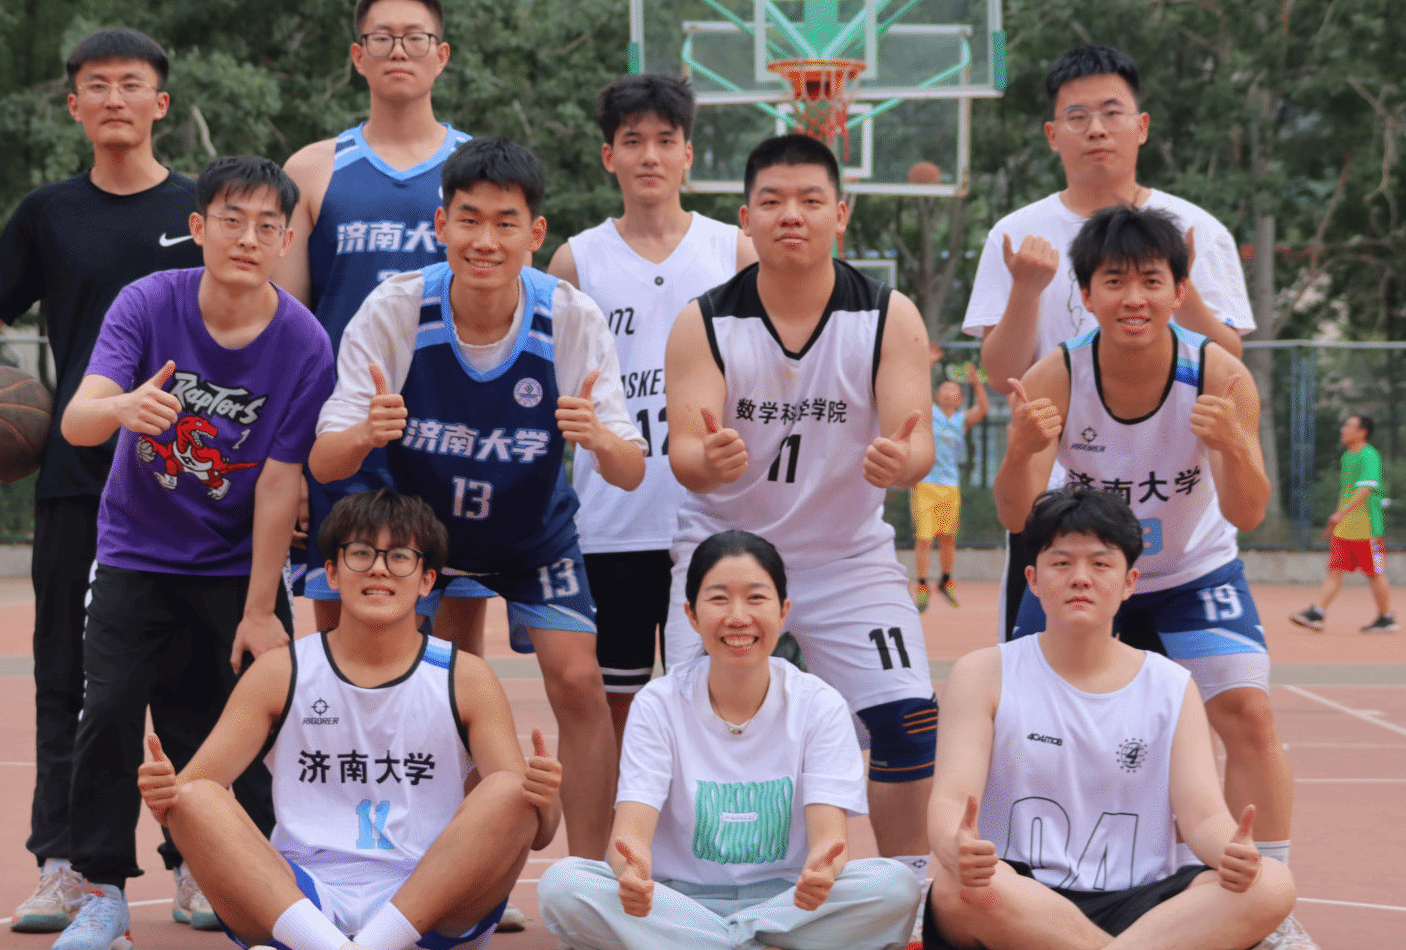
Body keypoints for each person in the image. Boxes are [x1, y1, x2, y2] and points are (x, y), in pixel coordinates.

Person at [0, 28, 222, 935]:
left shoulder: (202, 210)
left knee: (195, 676)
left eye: (132, 83)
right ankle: (65, 863)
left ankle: (198, 858)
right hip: (81, 478)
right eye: (97, 85)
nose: (115, 98)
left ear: (161, 103)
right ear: (75, 106)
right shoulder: (47, 213)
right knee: (72, 676)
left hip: (195, 479)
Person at [991, 203, 1322, 950]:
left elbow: (1249, 511)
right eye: (1114, 281)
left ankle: (1268, 905)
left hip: (1190, 572)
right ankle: (1037, 879)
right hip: (1086, 575)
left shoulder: (1220, 375)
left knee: (1247, 711)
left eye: (1150, 279)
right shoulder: (1057, 375)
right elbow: (1014, 514)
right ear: (1085, 295)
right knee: (1029, 722)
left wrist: (1235, 446)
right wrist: (1018, 452)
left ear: (1179, 288)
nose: (1133, 297)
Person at [309, 137, 643, 860]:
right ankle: (437, 862)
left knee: (579, 679)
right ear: (441, 224)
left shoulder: (569, 317)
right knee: (423, 692)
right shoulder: (398, 307)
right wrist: (365, 431)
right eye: (469, 219)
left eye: (504, 222)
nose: (485, 240)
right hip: (419, 534)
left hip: (529, 532)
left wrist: (599, 438)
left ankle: (587, 878)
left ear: (535, 233)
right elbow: (324, 457)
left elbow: (630, 470)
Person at [47, 155, 335, 950]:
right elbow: (76, 420)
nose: (248, 238)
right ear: (199, 227)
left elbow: (279, 481)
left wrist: (259, 607)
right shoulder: (148, 302)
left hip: (234, 565)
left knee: (240, 723)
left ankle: (224, 875)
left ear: (286, 241)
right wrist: (122, 405)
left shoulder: (304, 342)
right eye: (232, 220)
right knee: (108, 710)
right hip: (136, 550)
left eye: (267, 225)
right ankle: (101, 891)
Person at [137, 489, 563, 950]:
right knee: (197, 796)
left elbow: (536, 831)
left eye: (399, 556)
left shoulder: (465, 677)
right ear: (333, 574)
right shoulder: (282, 671)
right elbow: (186, 806)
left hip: (427, 917)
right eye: (361, 553)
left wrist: (544, 798)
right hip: (300, 907)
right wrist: (164, 797)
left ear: (427, 580)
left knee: (508, 789)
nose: (379, 569)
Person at [664, 132, 940, 872]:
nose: (792, 215)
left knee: (908, 719)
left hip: (845, 555)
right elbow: (685, 456)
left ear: (840, 214)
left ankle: (909, 890)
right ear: (745, 217)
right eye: (773, 201)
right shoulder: (703, 320)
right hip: (727, 551)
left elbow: (917, 440)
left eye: (811, 200)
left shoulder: (888, 315)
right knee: (696, 723)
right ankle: (700, 884)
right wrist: (707, 459)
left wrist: (901, 460)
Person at [923, 488, 1296, 950]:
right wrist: (955, 845)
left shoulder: (1171, 685)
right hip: (1020, 894)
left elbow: (1202, 816)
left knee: (1272, 884)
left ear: (1129, 582)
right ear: (1032, 579)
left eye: (1101, 564)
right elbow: (950, 801)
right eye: (1061, 563)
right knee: (955, 889)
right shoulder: (983, 672)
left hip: (1141, 901)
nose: (1081, 578)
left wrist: (1230, 851)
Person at [537, 530, 923, 950]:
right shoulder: (659, 703)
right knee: (563, 884)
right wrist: (630, 871)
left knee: (896, 888)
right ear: (691, 615)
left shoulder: (819, 704)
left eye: (756, 598)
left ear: (783, 612)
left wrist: (823, 872)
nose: (738, 617)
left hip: (785, 903)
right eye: (719, 599)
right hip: (674, 899)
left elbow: (830, 840)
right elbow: (629, 836)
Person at [960, 44, 1255, 639]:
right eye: (1077, 116)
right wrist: (1026, 290)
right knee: (1047, 683)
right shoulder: (1016, 234)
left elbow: (1227, 362)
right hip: (1062, 509)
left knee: (1196, 685)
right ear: (1052, 134)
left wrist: (1184, 287)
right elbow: (1001, 375)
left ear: (1141, 126)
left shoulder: (1198, 231)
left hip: (1176, 504)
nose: (1096, 129)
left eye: (1112, 112)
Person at [547, 75, 754, 732]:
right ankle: (620, 812)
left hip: (714, 518)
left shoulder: (734, 253)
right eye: (633, 141)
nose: (650, 156)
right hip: (613, 520)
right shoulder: (575, 262)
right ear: (609, 155)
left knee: (716, 706)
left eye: (666, 140)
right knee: (620, 707)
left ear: (688, 154)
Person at [279, 0, 470, 638]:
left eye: (415, 38)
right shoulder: (312, 169)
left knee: (451, 654)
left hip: (453, 435)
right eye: (382, 38)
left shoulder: (477, 170)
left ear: (441, 55)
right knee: (344, 646)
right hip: (345, 439)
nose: (399, 51)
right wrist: (291, 463)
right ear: (358, 56)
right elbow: (287, 336)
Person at [1290, 413, 1397, 633]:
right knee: (1335, 570)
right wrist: (1337, 518)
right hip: (1345, 528)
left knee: (1374, 573)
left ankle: (1386, 618)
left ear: (1362, 432)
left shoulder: (1369, 455)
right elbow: (1346, 492)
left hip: (1366, 527)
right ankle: (1318, 614)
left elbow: (1365, 490)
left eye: (1349, 426)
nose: (1343, 430)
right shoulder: (1348, 456)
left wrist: (1341, 514)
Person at [913, 361, 990, 614]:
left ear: (959, 399)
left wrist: (977, 383)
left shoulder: (960, 420)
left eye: (953, 389)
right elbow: (917, 392)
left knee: (947, 538)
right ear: (937, 395)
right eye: (944, 388)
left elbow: (983, 409)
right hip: (925, 484)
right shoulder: (929, 413)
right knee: (924, 538)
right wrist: (927, 365)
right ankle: (922, 586)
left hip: (949, 486)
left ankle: (945, 581)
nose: (948, 391)